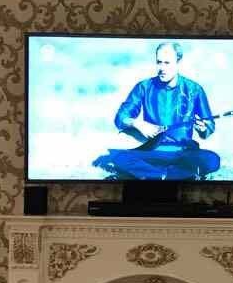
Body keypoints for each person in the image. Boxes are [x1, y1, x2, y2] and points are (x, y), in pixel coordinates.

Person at [92, 42, 222, 180]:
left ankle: (150, 174)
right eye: (159, 62)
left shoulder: (194, 89)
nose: (162, 68)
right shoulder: (144, 87)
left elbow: (209, 126)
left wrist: (203, 128)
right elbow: (121, 117)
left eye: (167, 63)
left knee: (212, 159)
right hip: (151, 151)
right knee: (117, 157)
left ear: (178, 62)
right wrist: (137, 123)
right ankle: (169, 175)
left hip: (183, 152)